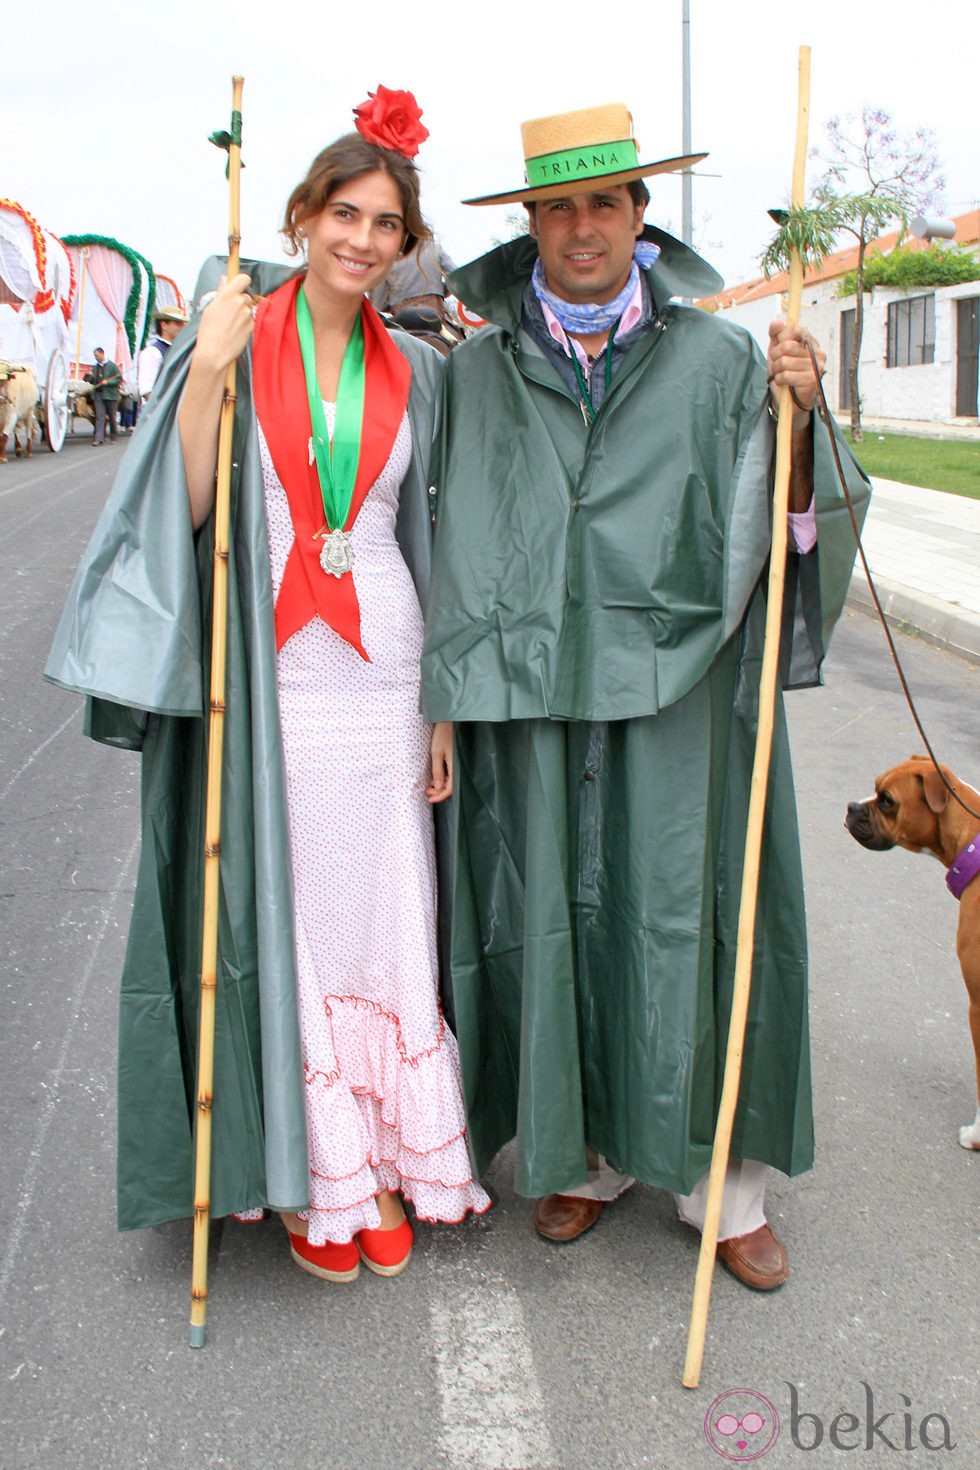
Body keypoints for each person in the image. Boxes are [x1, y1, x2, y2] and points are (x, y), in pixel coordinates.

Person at [421, 102, 871, 1290]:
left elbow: (797, 529)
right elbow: (428, 528)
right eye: (558, 207)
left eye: (603, 204)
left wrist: (800, 419)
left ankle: (725, 1195)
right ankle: (584, 1160)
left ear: (640, 219)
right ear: (528, 225)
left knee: (697, 914)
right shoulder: (476, 373)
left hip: (687, 699)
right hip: (536, 694)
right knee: (563, 914)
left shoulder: (725, 360)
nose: (581, 228)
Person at [46, 85, 489, 1284]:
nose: (360, 239)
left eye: (384, 223)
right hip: (277, 671)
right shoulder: (236, 333)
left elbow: (428, 544)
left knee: (389, 904)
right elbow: (185, 511)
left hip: (386, 667)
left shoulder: (419, 372)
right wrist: (207, 374)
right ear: (300, 216)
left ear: (404, 245)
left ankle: (392, 1148)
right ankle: (311, 1168)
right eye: (342, 214)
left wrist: (442, 701)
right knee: (291, 908)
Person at [370, 235, 456, 318]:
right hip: (435, 310)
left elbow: (377, 303)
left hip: (402, 315)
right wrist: (438, 290)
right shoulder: (434, 248)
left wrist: (394, 301)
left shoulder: (385, 257)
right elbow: (456, 278)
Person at [138, 304, 188, 403]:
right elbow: (147, 391)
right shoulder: (152, 352)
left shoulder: (178, 351)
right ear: (164, 325)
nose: (182, 327)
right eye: (177, 323)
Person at [90, 347, 121, 444]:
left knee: (112, 416)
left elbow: (119, 379)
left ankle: (114, 436)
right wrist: (90, 379)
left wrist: (108, 382)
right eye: (95, 356)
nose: (96, 357)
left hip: (110, 395)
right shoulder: (95, 367)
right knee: (100, 416)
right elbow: (93, 381)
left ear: (102, 354)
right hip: (98, 394)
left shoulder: (112, 366)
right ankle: (98, 438)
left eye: (97, 355)